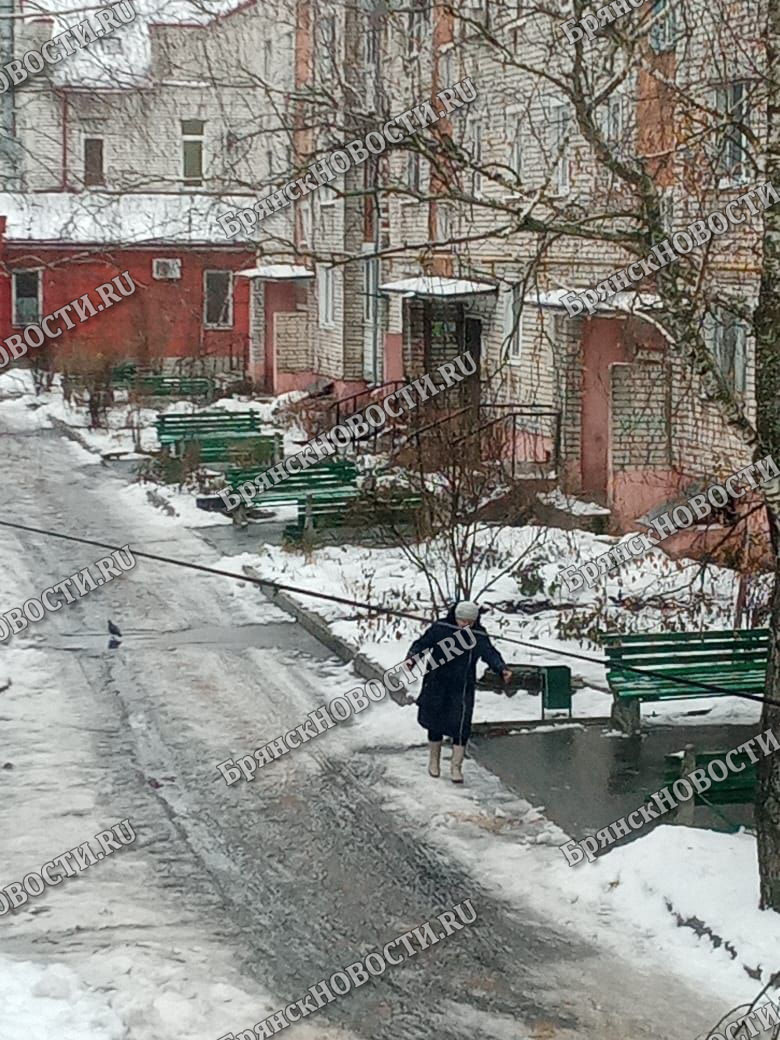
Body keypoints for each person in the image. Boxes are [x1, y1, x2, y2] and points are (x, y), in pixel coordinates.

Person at [405, 600, 511, 784]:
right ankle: (434, 761)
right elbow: (422, 644)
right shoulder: (441, 629)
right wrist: (412, 659)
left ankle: (456, 766)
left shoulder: (477, 635)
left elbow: (489, 653)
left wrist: (501, 668)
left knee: (461, 725)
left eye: (469, 622)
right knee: (435, 721)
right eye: (462, 621)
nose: (465, 625)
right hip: (438, 681)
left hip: (462, 686)